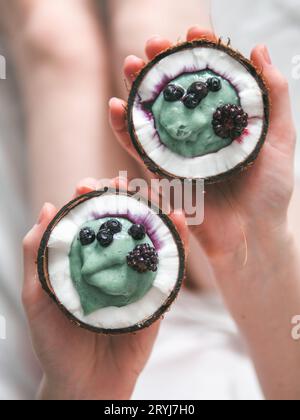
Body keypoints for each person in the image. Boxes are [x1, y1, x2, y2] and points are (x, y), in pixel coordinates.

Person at [23, 25, 300, 400]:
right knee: (144, 27)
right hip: (262, 294)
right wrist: (257, 234)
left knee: (56, 49)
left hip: (96, 336)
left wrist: (82, 388)